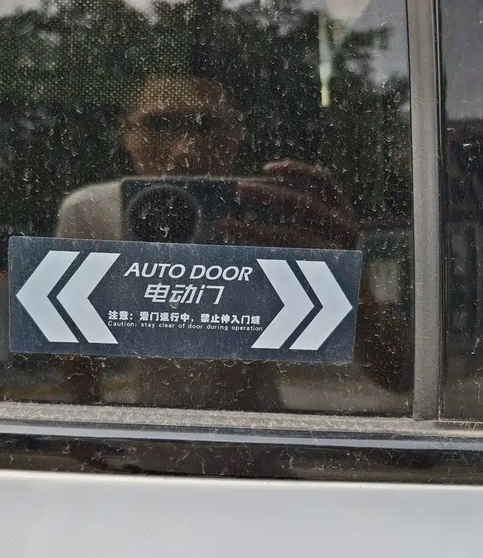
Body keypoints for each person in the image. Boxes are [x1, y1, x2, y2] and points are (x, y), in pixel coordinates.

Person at [55, 72, 411, 410]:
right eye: (159, 125)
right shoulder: (90, 213)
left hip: (256, 435)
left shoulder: (271, 212)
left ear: (238, 133)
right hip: (155, 433)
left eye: (207, 126)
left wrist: (348, 280)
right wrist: (87, 429)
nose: (185, 151)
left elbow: (398, 375)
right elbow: (76, 350)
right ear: (126, 134)